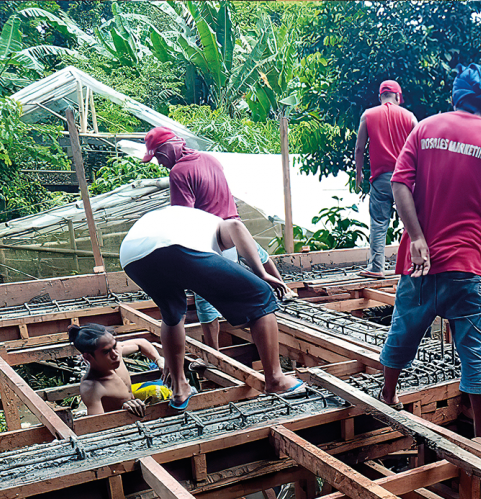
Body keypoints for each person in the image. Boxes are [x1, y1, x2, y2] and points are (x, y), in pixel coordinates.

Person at [380, 64, 481, 451]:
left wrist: (417, 237)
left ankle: (387, 395)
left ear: (455, 97)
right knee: (476, 351)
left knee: (402, 333)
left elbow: (399, 183)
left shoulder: (425, 128)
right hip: (467, 268)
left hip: (419, 265)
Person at [120, 205, 304, 410]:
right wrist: (261, 274)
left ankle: (180, 389)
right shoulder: (217, 225)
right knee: (260, 294)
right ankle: (276, 380)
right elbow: (235, 225)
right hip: (173, 245)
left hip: (132, 257)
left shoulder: (189, 221)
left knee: (172, 314)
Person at [142, 126, 290, 349]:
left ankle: (213, 353)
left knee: (204, 295)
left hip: (211, 236)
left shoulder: (179, 173)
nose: (160, 163)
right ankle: (286, 291)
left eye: (159, 156)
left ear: (169, 148)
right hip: (234, 227)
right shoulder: (209, 159)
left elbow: (184, 217)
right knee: (259, 256)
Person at [352, 80, 418, 277]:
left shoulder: (368, 115)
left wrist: (359, 172)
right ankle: (413, 265)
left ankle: (376, 267)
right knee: (411, 224)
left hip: (381, 179)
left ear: (380, 96)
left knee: (379, 224)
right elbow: (419, 148)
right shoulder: (410, 117)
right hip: (406, 180)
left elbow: (359, 148)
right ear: (398, 97)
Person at [68, 323, 170, 417]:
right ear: (88, 357)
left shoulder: (115, 351)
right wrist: (122, 411)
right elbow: (98, 425)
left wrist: (158, 359)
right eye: (106, 352)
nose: (115, 355)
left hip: (134, 399)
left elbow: (141, 343)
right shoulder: (92, 388)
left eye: (114, 346)